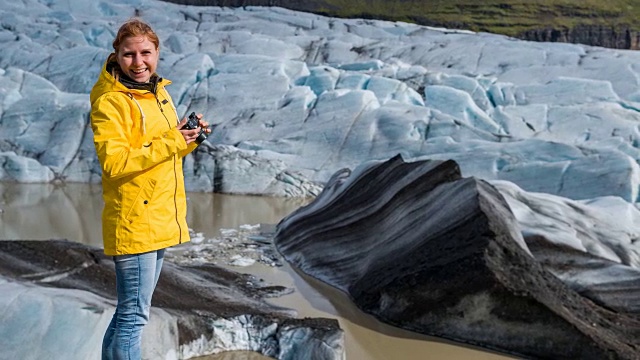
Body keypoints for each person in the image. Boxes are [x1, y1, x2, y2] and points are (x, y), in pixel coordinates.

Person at [89, 18, 210, 360]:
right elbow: (114, 163)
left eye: (146, 53)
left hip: (156, 216)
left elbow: (160, 151)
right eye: (129, 55)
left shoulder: (157, 91)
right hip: (135, 219)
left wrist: (189, 138)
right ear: (117, 55)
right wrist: (173, 140)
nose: (138, 62)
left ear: (157, 53)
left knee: (128, 315)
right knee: (133, 318)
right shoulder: (110, 102)